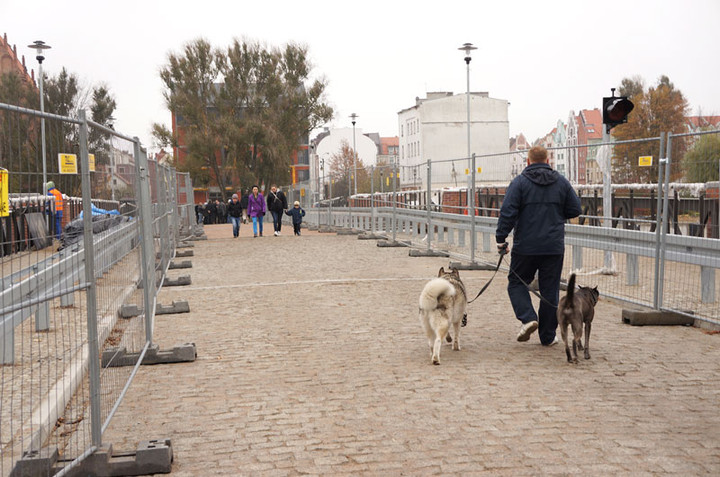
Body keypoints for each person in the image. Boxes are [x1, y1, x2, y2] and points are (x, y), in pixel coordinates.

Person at [495, 145, 582, 346]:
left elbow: (508, 212)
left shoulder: (519, 183)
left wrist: (501, 238)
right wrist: (556, 213)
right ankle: (547, 336)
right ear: (548, 161)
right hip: (553, 246)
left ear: (528, 161)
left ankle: (528, 318)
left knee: (517, 283)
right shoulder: (561, 182)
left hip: (526, 246)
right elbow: (575, 208)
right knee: (549, 290)